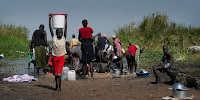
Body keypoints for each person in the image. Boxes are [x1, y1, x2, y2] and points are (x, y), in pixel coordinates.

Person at [49, 13, 67, 91]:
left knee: (59, 73)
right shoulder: (54, 38)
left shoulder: (64, 38)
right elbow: (50, 27)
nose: (60, 33)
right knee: (56, 74)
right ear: (56, 33)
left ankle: (59, 87)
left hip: (61, 57)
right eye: (58, 32)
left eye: (61, 32)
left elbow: (66, 27)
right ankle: (56, 86)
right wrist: (49, 18)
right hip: (55, 57)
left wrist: (66, 18)